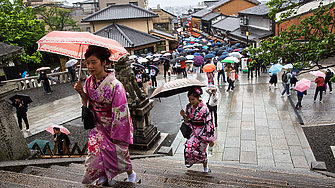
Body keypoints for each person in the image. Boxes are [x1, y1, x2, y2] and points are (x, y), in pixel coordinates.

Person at [74, 45, 139, 185]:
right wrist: (81, 92)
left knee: (119, 153)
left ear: (104, 62)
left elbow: (121, 111)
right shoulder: (88, 81)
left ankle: (130, 173)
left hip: (112, 124)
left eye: (94, 62)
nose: (90, 66)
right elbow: (88, 103)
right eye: (88, 62)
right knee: (94, 153)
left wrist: (117, 134)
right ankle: (101, 175)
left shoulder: (115, 85)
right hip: (97, 124)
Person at [179, 87, 216, 172]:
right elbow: (188, 120)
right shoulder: (188, 107)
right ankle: (190, 161)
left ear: (198, 97)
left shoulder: (204, 109)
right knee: (188, 147)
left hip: (203, 132)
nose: (191, 101)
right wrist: (184, 116)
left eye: (193, 99)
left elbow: (209, 123)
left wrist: (210, 139)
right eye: (189, 99)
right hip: (193, 131)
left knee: (201, 150)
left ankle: (205, 167)